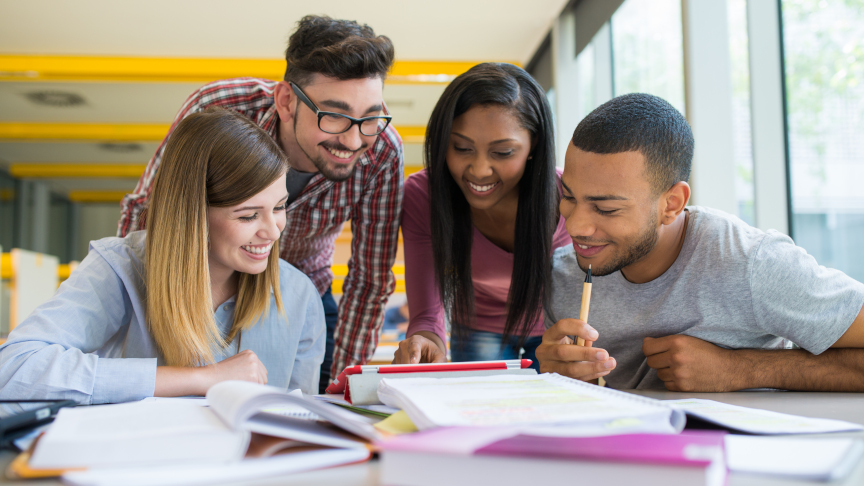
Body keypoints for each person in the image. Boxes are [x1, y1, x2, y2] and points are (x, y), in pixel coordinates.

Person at [118, 16, 403, 393]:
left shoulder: (381, 151)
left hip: (303, 296)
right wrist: (131, 302)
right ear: (286, 101)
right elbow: (150, 211)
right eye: (334, 116)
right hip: (199, 289)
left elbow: (369, 279)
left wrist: (345, 385)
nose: (353, 141)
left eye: (369, 118)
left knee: (315, 405)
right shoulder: (221, 109)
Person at [537, 93, 864, 391]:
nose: (576, 225)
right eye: (568, 197)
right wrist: (559, 381)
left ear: (672, 204)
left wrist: (742, 370)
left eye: (606, 208)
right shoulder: (561, 278)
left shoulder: (752, 264)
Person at [0, 108, 324, 404]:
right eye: (248, 216)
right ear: (192, 215)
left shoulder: (299, 295)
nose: (273, 230)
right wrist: (202, 379)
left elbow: (299, 423)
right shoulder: (120, 268)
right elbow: (14, 368)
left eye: (279, 207)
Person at [392, 63, 570, 369]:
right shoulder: (424, 195)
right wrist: (427, 340)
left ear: (534, 143)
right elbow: (425, 313)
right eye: (461, 148)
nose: (479, 170)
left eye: (502, 153)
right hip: (478, 327)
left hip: (558, 328)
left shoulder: (569, 196)